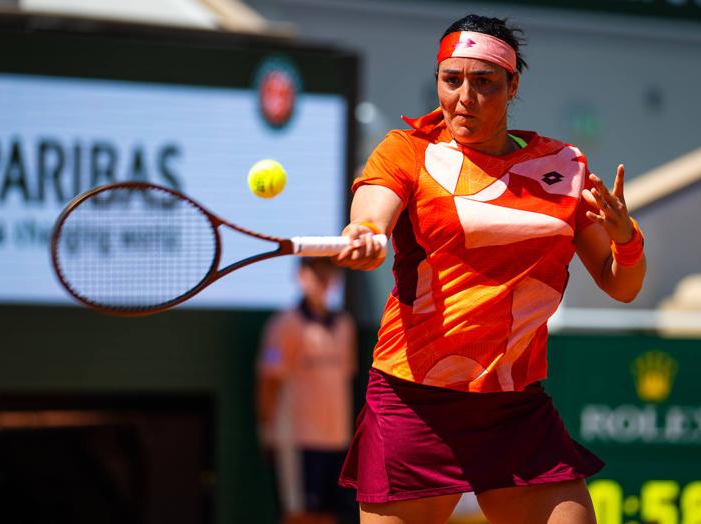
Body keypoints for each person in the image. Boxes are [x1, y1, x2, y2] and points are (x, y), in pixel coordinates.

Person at [334, 14, 646, 524]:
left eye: (484, 83)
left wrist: (625, 237)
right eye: (451, 80)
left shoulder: (564, 167)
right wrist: (364, 235)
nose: (464, 97)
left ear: (512, 85)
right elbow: (372, 214)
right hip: (414, 403)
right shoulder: (406, 152)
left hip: (514, 409)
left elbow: (622, 284)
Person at [257, 257, 358, 524]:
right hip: (297, 441)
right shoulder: (284, 324)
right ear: (300, 275)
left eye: (328, 272)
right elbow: (269, 382)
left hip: (337, 440)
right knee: (299, 516)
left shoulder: (345, 325)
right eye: (315, 271)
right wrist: (267, 432)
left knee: (330, 515)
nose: (322, 279)